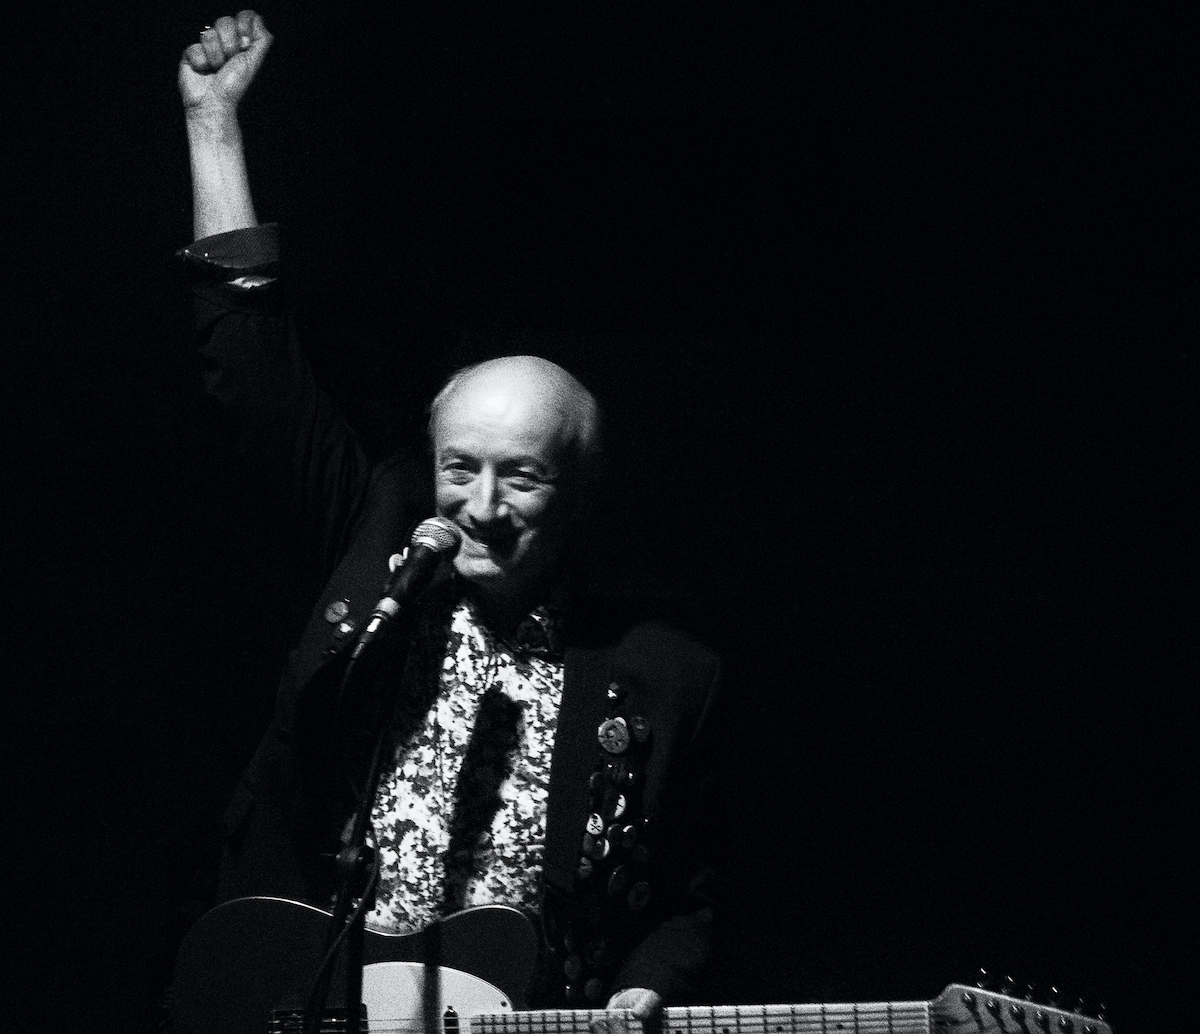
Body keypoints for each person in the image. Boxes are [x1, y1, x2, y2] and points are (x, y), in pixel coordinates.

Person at [176, 10, 722, 1023]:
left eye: (520, 477)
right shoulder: (379, 546)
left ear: (579, 489)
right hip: (309, 998)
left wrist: (649, 986)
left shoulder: (664, 675)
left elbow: (689, 898)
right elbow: (252, 371)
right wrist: (213, 123)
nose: (478, 505)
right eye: (458, 467)